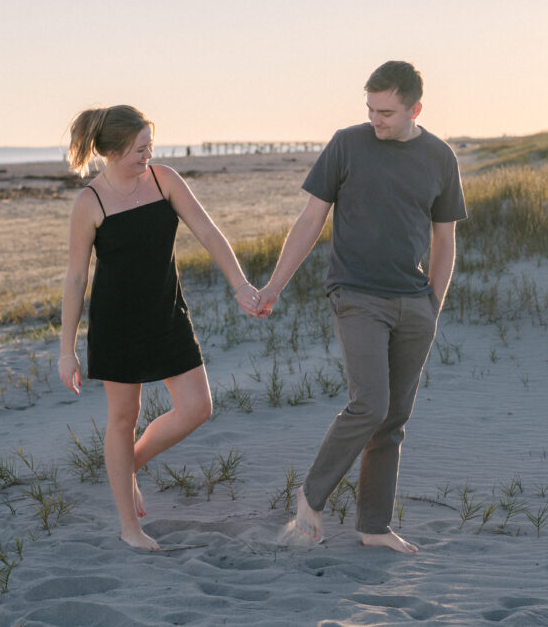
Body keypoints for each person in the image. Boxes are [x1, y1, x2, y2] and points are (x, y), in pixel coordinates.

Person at [254, 61, 467, 553]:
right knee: (369, 403)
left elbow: (444, 238)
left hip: (414, 303)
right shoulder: (347, 144)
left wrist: (434, 303)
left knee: (393, 419)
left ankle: (373, 527)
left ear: (416, 108)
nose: (376, 119)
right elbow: (310, 221)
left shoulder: (439, 157)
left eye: (387, 112)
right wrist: (274, 286)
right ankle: (311, 497)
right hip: (356, 294)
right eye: (370, 109)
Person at [57, 105, 260, 551]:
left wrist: (241, 284)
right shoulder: (89, 202)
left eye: (150, 144)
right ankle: (130, 529)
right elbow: (75, 278)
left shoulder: (164, 179)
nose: (148, 154)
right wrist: (66, 349)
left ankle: (129, 466)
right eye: (139, 149)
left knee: (197, 407)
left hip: (168, 314)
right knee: (122, 419)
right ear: (110, 151)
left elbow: (207, 231)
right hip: (117, 323)